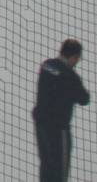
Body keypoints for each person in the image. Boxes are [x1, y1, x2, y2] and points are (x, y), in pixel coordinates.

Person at [33, 39, 89, 182]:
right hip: (59, 129)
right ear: (74, 57)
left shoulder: (47, 65)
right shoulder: (70, 76)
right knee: (59, 170)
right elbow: (84, 98)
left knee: (46, 165)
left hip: (41, 125)